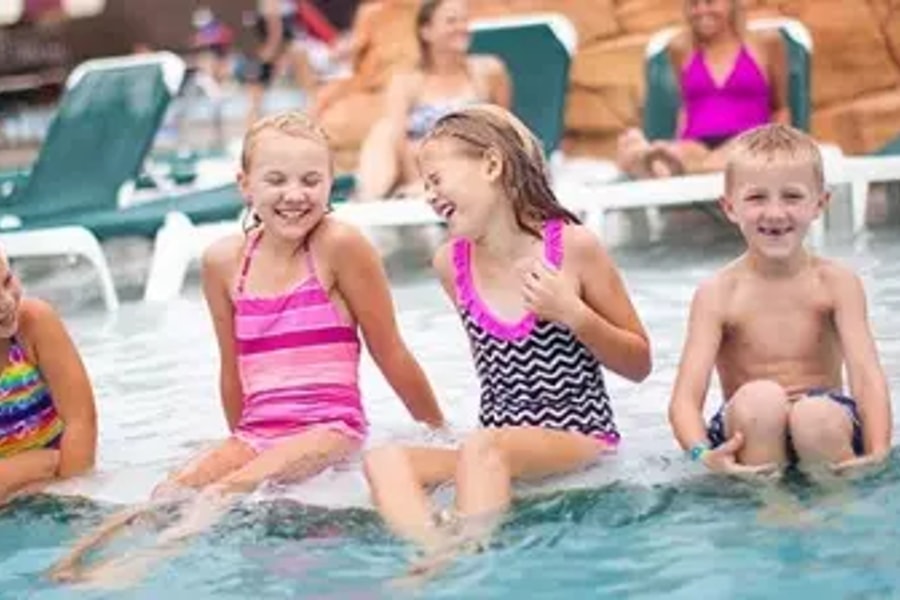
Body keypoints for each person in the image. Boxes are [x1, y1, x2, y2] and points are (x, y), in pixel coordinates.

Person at [48, 110, 445, 586]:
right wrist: (238, 442)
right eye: (276, 180)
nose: (295, 194)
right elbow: (231, 368)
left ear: (330, 183)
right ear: (245, 185)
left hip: (329, 427)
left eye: (311, 180)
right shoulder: (223, 263)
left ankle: (138, 568)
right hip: (259, 430)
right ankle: (76, 558)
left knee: (229, 489)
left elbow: (390, 350)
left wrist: (437, 432)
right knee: (169, 491)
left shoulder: (340, 246)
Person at [363, 106, 652, 572]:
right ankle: (431, 549)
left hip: (576, 436)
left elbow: (639, 364)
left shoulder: (573, 248)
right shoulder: (451, 264)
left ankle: (464, 559)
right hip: (496, 448)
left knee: (485, 446)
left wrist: (574, 314)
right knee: (384, 460)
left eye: (436, 179)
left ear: (492, 165)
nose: (429, 195)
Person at [668, 123, 892, 480]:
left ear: (820, 204)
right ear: (729, 207)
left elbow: (866, 377)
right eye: (757, 197)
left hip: (825, 426)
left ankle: (839, 502)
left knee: (814, 415)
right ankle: (770, 506)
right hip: (749, 428)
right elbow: (685, 398)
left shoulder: (836, 284)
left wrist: (879, 453)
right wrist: (702, 454)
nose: (775, 213)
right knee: (762, 400)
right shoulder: (718, 294)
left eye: (791, 196)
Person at [353, 0, 512, 201]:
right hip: (420, 172)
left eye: (464, 20)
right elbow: (398, 140)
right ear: (426, 31)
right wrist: (419, 184)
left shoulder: (488, 71)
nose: (461, 28)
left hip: (473, 165)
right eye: (451, 21)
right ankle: (372, 197)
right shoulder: (407, 82)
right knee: (384, 131)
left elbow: (504, 129)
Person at [617, 0, 790, 179]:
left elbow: (780, 108)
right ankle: (659, 160)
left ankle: (666, 166)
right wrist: (679, 147)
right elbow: (686, 106)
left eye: (710, 2)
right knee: (674, 154)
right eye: (694, 4)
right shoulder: (680, 48)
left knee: (736, 154)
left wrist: (782, 151)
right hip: (696, 144)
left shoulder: (766, 42)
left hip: (749, 140)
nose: (701, 11)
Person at [0, 251, 97, 504]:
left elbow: (81, 420)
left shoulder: (33, 323)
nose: (5, 302)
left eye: (7, 281)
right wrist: (37, 465)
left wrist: (73, 492)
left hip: (60, 479)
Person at [243, 0, 318, 128]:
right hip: (283, 49)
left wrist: (268, 55)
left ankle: (251, 127)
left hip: (282, 50)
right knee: (310, 94)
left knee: (255, 99)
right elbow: (276, 31)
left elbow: (275, 32)